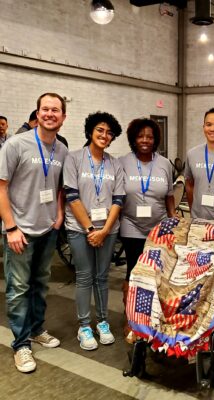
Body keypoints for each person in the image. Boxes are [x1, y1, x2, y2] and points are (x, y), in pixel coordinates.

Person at [0, 93, 68, 373]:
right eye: (45, 109)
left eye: (56, 110)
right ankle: (21, 344)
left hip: (47, 229)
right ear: (37, 113)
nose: (50, 114)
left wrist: (60, 213)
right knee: (18, 289)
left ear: (63, 117)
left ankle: (37, 329)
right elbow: (1, 188)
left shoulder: (62, 150)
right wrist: (11, 227)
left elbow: (60, 187)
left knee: (40, 284)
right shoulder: (16, 144)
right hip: (20, 231)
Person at [63, 112, 124, 351]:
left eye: (109, 133)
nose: (104, 135)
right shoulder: (73, 159)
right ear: (90, 131)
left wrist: (104, 230)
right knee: (85, 276)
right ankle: (85, 325)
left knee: (102, 276)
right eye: (100, 130)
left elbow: (118, 199)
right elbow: (72, 196)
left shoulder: (114, 163)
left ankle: (103, 322)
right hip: (80, 229)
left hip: (108, 230)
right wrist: (90, 229)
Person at [119, 118, 175, 335]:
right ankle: (132, 320)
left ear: (156, 140)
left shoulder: (164, 164)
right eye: (141, 136)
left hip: (158, 227)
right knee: (133, 272)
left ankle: (153, 316)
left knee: (156, 274)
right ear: (133, 138)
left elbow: (169, 195)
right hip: (131, 225)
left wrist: (172, 220)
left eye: (149, 136)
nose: (145, 140)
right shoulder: (123, 162)